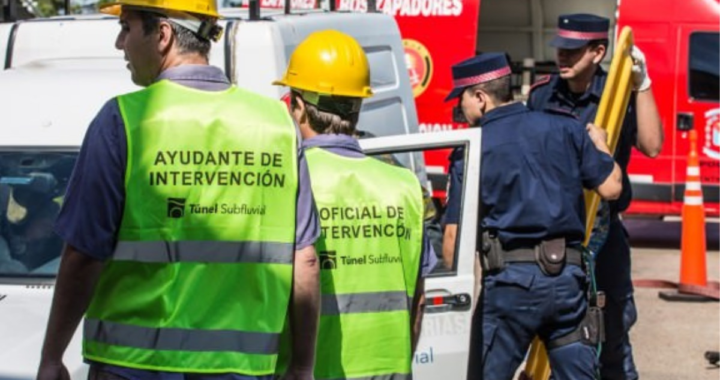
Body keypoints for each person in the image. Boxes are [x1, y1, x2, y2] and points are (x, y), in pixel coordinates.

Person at [35, 0, 320, 379]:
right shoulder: (277, 126)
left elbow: (83, 255)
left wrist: (52, 356)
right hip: (242, 369)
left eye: (126, 27)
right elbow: (305, 260)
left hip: (134, 367)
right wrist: (301, 365)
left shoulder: (124, 120)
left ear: (163, 34)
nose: (120, 43)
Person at [442, 52, 623, 380]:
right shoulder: (565, 129)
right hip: (567, 285)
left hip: (510, 289)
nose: (460, 110)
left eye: (462, 100)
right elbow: (611, 188)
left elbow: (454, 239)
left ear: (481, 98)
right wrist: (601, 144)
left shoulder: (471, 148)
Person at [273, 30, 437, 380]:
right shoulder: (405, 186)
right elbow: (418, 301)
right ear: (358, 106)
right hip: (390, 371)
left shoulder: (288, 182)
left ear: (298, 105)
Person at [527, 14, 663, 380]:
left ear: (598, 51)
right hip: (556, 231)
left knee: (612, 328)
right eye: (560, 49)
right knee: (556, 335)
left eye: (573, 51)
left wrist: (643, 84)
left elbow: (652, 146)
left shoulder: (617, 94)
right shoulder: (542, 96)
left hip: (603, 233)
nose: (563, 57)